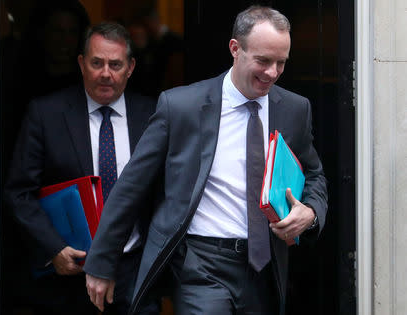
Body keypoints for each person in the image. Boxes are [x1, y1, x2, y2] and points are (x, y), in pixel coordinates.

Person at [84, 5, 328, 315]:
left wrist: (311, 213)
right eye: (263, 61)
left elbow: (315, 175)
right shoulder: (181, 106)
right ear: (235, 49)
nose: (272, 73)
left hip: (266, 266)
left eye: (281, 63)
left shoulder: (295, 109)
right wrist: (103, 262)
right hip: (200, 265)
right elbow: (131, 185)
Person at [4, 22, 159, 315]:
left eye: (115, 64)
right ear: (81, 63)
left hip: (135, 275)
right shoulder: (45, 114)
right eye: (96, 63)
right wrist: (53, 249)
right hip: (69, 276)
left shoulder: (155, 115)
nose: (105, 73)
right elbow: (19, 192)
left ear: (131, 67)